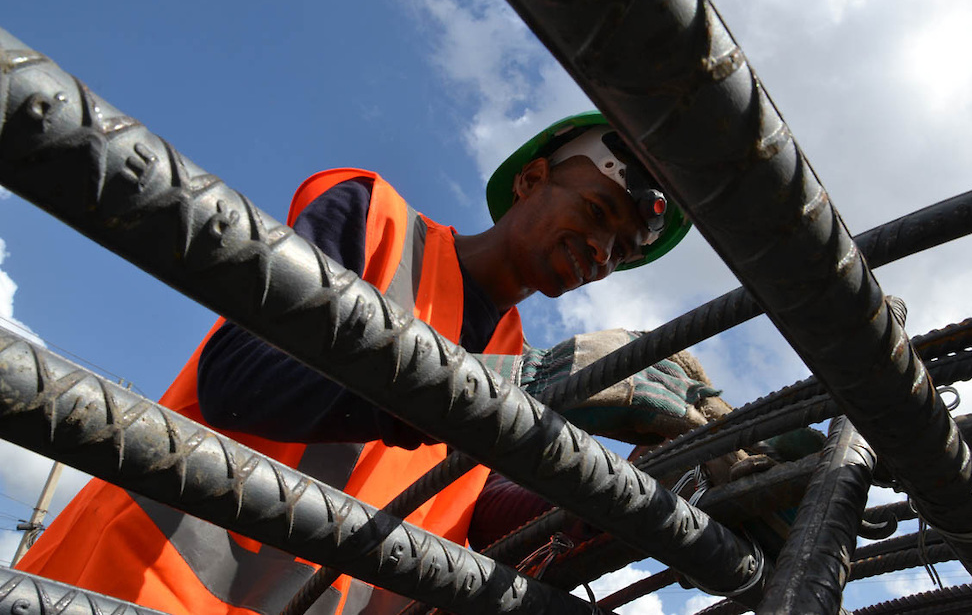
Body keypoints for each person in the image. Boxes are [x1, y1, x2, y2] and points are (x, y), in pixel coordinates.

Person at [17, 112, 697, 615]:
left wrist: (630, 495)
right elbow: (240, 379)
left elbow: (462, 517)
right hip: (126, 587)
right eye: (599, 210)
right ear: (531, 178)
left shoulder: (513, 356)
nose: (603, 251)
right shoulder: (376, 222)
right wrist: (519, 389)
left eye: (622, 249)